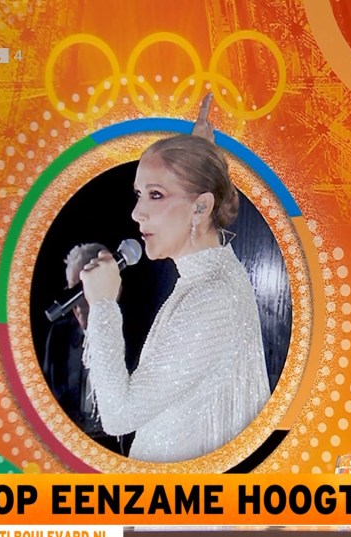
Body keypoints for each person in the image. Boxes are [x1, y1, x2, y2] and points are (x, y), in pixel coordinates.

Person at [80, 130, 271, 463]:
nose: (137, 213)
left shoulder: (212, 297)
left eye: (155, 195)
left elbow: (118, 416)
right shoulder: (212, 277)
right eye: (139, 194)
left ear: (201, 206)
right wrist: (199, 157)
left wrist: (103, 306)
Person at [43, 242, 108, 433]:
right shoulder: (59, 335)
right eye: (72, 293)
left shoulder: (137, 333)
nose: (77, 305)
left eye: (83, 291)